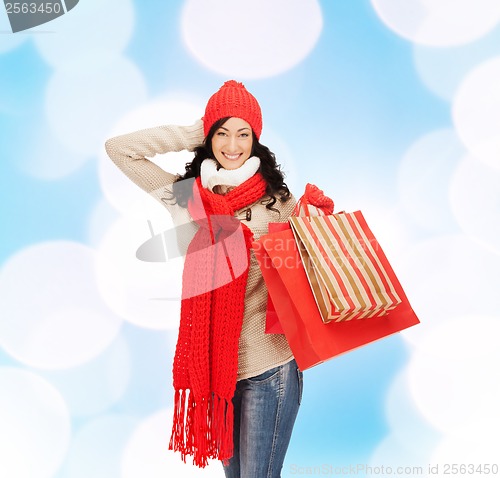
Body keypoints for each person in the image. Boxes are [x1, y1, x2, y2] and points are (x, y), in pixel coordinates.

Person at [105, 80, 303, 477]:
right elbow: (119, 150)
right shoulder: (187, 197)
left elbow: (308, 273)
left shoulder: (278, 203)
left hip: (272, 367)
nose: (233, 144)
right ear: (209, 136)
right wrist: (196, 130)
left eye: (243, 133)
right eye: (222, 133)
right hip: (218, 375)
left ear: (256, 139)